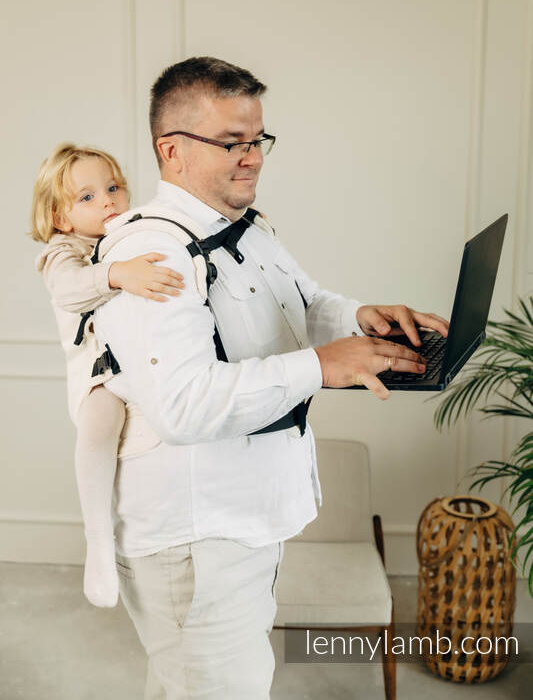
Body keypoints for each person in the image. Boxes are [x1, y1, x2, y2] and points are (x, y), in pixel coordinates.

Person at [93, 56, 449, 699]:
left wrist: (360, 317)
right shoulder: (149, 254)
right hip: (196, 539)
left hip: (245, 520)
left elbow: (302, 302)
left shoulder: (247, 228)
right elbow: (183, 406)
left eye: (258, 140)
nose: (253, 158)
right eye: (232, 142)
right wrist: (321, 364)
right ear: (172, 150)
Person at [31, 142, 185, 607]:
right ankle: (97, 540)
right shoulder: (63, 252)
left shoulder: (129, 236)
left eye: (114, 187)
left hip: (135, 364)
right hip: (97, 376)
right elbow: (70, 290)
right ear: (60, 218)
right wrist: (117, 274)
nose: (108, 201)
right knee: (101, 423)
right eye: (88, 197)